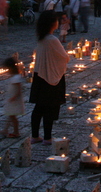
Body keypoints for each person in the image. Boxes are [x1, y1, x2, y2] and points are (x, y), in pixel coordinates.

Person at [30, 11, 69, 145]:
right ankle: (47, 137)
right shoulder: (52, 40)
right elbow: (64, 57)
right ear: (53, 23)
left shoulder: (41, 38)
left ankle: (35, 135)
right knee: (49, 108)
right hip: (50, 77)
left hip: (39, 75)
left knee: (39, 107)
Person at [0, 57, 24, 138]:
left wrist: (14, 97)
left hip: (14, 101)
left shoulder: (16, 77)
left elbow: (19, 89)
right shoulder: (14, 76)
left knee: (12, 117)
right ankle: (5, 129)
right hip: (12, 99)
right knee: (10, 115)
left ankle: (16, 132)